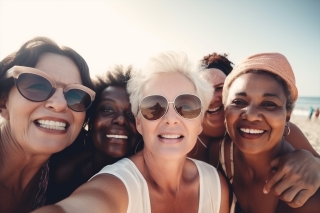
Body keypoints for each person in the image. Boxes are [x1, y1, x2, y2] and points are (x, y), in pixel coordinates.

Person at [33, 52, 229, 213]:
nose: (171, 118)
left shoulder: (215, 184)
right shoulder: (117, 184)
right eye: (154, 106)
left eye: (187, 106)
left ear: (200, 122)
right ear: (139, 123)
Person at [188, 52, 320, 208]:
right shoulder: (187, 139)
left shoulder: (277, 130)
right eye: (204, 89)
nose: (211, 97)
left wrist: (315, 164)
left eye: (219, 88)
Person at [0, 37, 95, 213]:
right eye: (37, 85)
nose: (59, 104)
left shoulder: (61, 179)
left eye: (76, 95)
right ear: (3, 104)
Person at [46, 65, 141, 204]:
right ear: (90, 120)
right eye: (108, 109)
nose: (121, 120)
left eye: (131, 113)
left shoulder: (149, 177)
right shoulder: (63, 170)